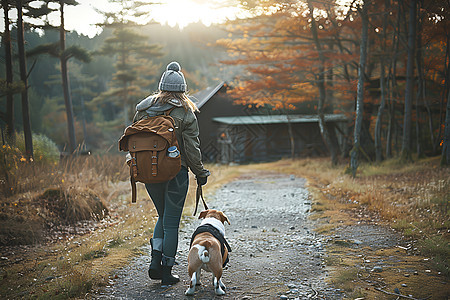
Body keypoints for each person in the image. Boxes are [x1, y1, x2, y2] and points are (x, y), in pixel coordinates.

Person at [132, 61, 210, 285]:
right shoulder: (186, 112)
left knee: (162, 215)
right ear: (183, 90)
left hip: (149, 171)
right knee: (171, 222)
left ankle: (155, 262)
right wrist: (200, 172)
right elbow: (192, 148)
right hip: (176, 171)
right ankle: (167, 272)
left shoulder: (143, 110)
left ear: (161, 87)